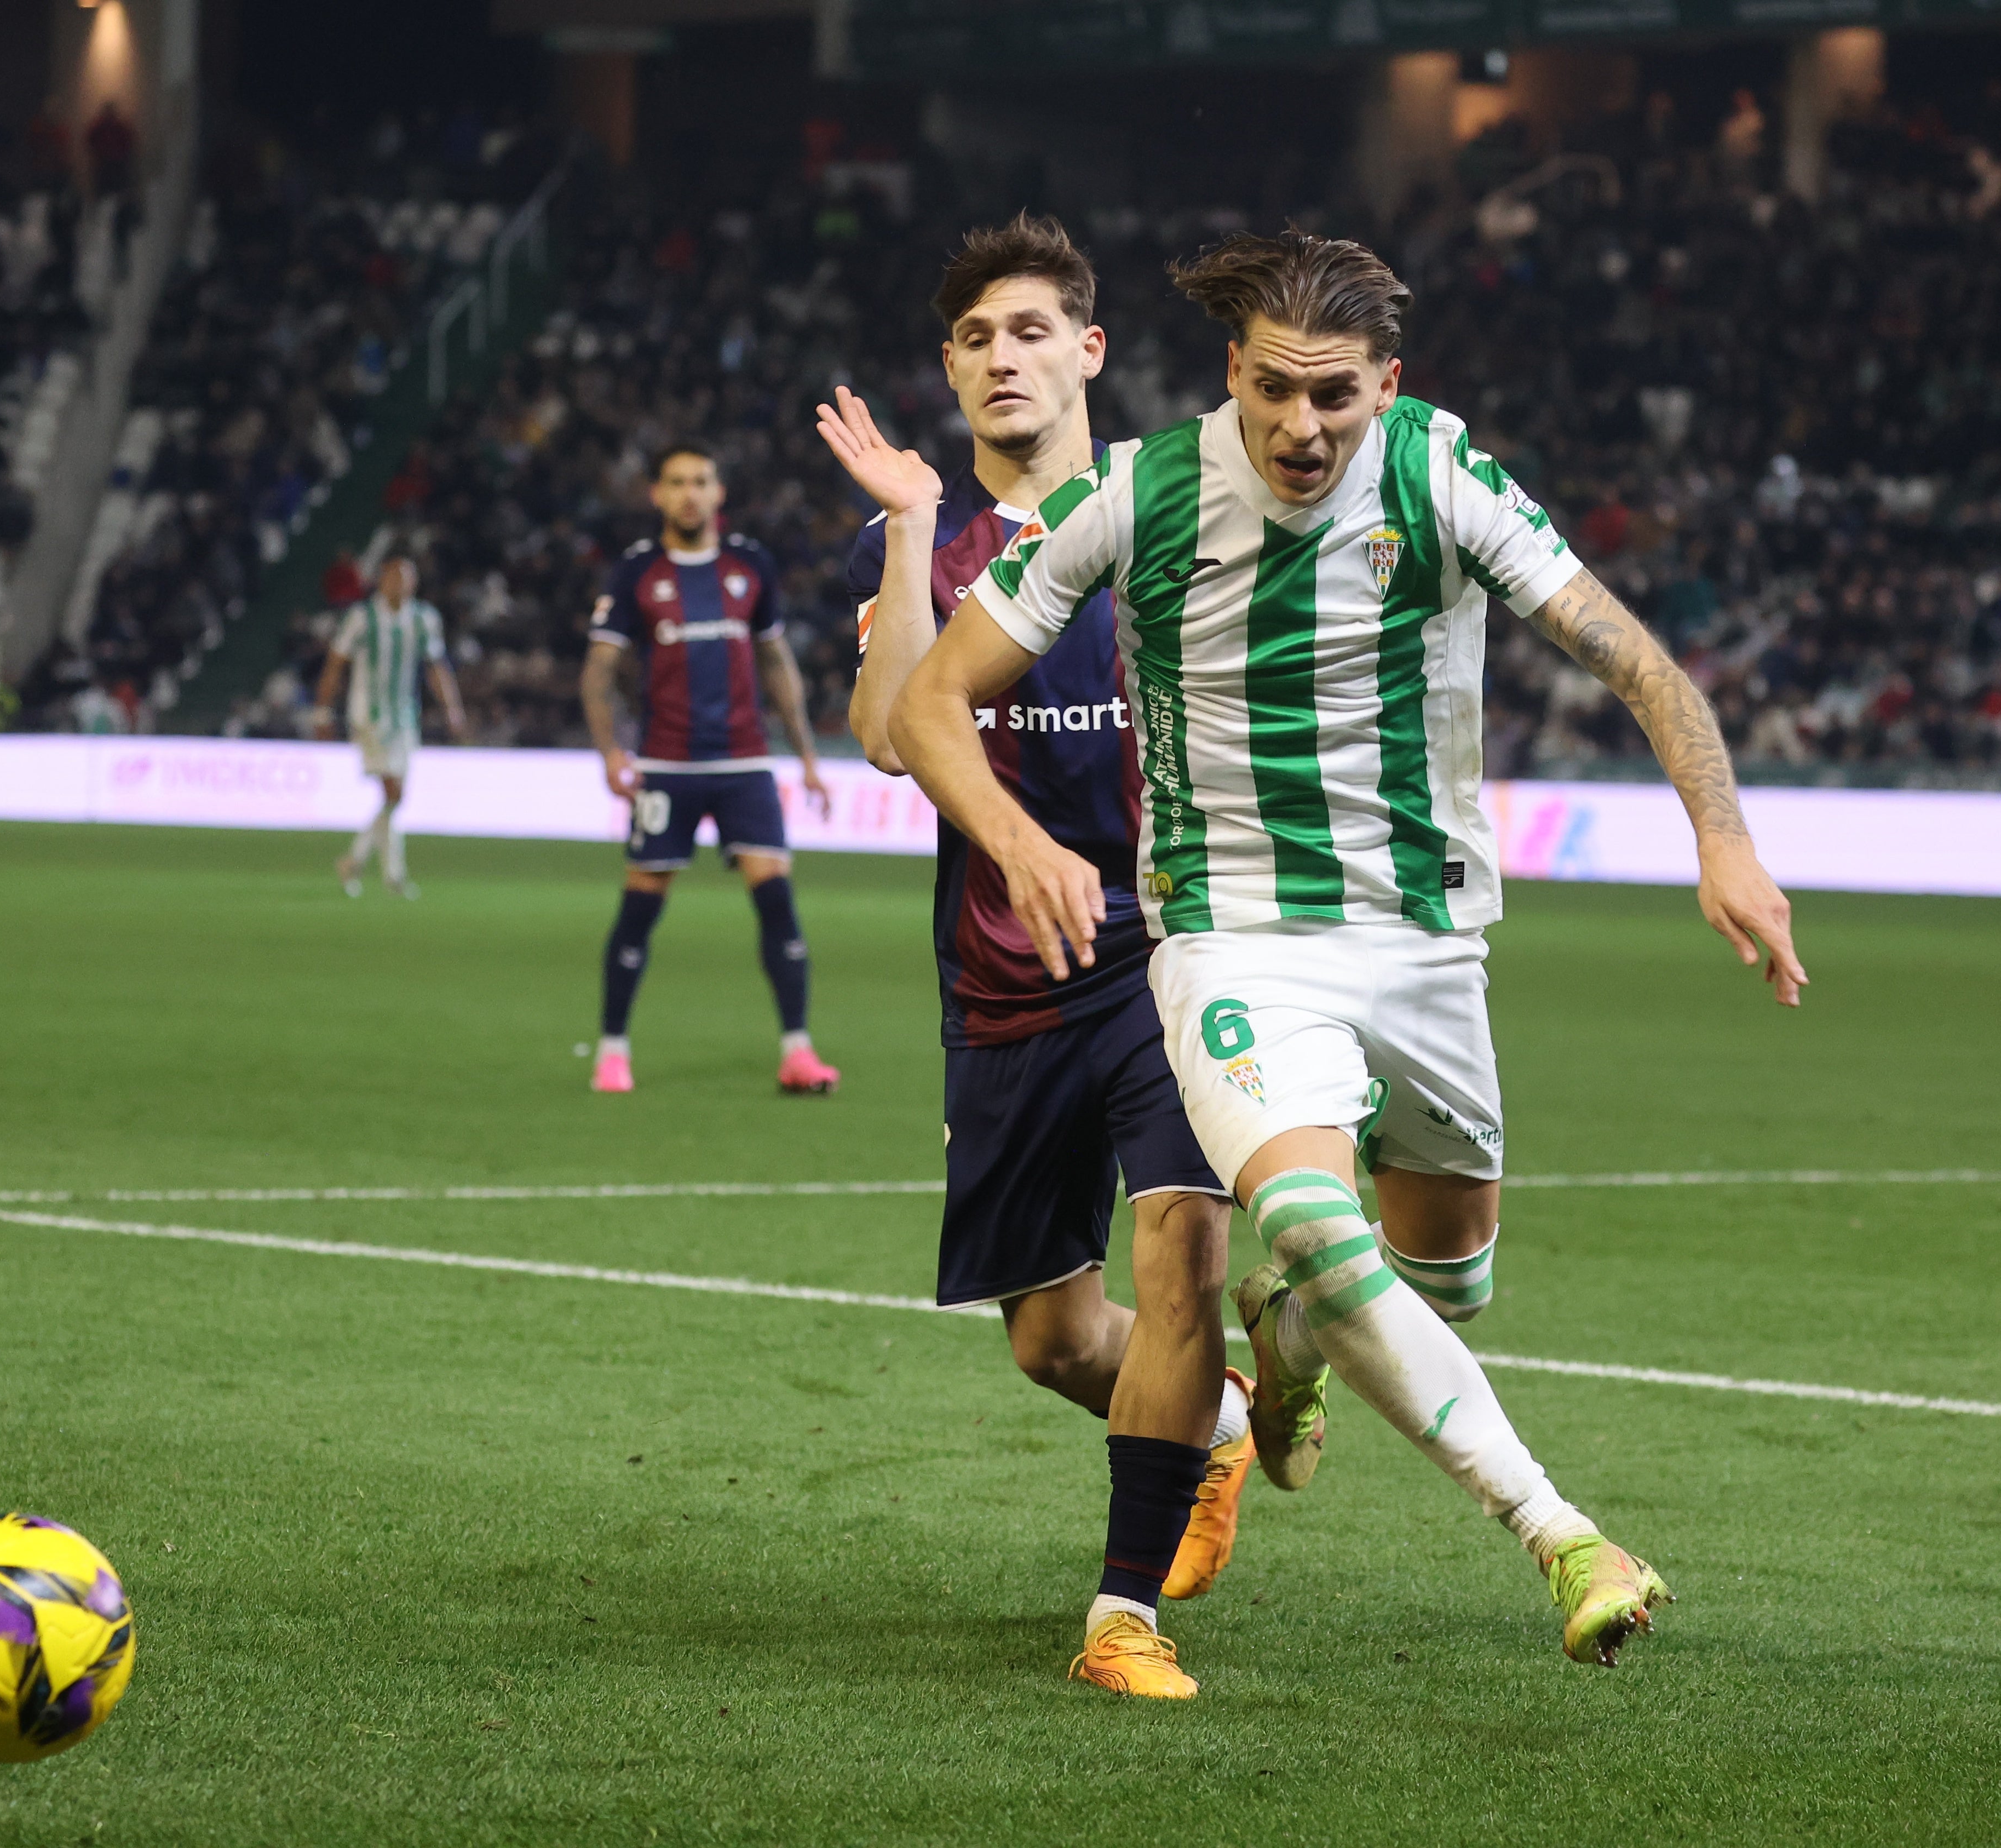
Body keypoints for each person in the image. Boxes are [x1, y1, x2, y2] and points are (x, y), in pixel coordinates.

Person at [894, 231, 1810, 1673]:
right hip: (1232, 937)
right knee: (1311, 1228)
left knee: (1440, 1280)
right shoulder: (1134, 496)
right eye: (1273, 390)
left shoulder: (1442, 472)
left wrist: (1725, 835)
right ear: (1229, 375)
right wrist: (1018, 842)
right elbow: (934, 702)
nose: (1301, 426)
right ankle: (1564, 1531)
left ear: (1388, 382)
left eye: (1336, 396)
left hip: (1425, 940)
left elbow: (1632, 653)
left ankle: (1295, 1346)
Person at [819, 214, 1249, 1701]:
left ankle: (1122, 1615)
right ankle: (1225, 1420)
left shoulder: (1169, 512)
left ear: (1089, 350)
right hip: (1004, 976)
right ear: (951, 373)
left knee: (1184, 1240)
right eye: (975, 339)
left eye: (1028, 331)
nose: (1002, 357)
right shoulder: (936, 552)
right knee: (1055, 1339)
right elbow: (885, 739)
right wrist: (898, 519)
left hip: (1165, 950)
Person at [579, 446, 838, 1095]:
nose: (690, 493)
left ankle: (797, 1051)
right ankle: (612, 1049)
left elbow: (777, 662)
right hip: (667, 765)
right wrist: (612, 750)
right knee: (640, 906)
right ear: (656, 495)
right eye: (676, 483)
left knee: (776, 899)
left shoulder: (750, 564)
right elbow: (599, 671)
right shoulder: (638, 572)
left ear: (718, 492)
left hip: (746, 762)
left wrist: (806, 756)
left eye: (700, 481)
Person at [317, 555, 465, 899]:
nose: (402, 585)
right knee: (393, 792)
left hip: (404, 717)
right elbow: (335, 664)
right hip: (369, 716)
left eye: (408, 579)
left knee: (395, 797)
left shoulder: (424, 619)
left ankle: (372, 868)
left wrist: (452, 708)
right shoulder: (362, 618)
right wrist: (323, 712)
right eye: (396, 578)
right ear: (382, 581)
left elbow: (436, 666)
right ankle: (380, 871)